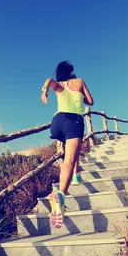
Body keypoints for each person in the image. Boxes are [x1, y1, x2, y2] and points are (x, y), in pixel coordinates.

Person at [41, 61, 94, 228]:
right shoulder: (79, 82)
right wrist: (80, 96)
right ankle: (60, 195)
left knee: (68, 157)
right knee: (70, 160)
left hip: (57, 123)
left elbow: (49, 81)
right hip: (74, 121)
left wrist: (44, 92)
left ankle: (76, 176)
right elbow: (91, 102)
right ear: (72, 71)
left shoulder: (60, 86)